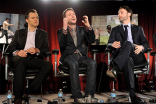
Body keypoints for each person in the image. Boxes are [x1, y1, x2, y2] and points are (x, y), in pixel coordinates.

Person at [6, 9, 53, 104]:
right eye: (33, 18)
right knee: (21, 60)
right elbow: (10, 48)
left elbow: (46, 49)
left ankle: (28, 91)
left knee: (48, 65)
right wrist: (18, 52)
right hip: (20, 58)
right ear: (27, 20)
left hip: (33, 58)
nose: (36, 19)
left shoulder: (43, 33)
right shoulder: (19, 33)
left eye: (37, 17)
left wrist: (37, 50)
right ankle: (18, 97)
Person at [106, 6, 149, 103]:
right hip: (123, 58)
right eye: (118, 13)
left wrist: (142, 47)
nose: (119, 15)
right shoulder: (115, 29)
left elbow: (146, 44)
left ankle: (115, 70)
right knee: (128, 60)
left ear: (129, 14)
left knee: (128, 43)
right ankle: (132, 95)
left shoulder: (138, 29)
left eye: (121, 12)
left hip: (137, 56)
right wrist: (111, 44)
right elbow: (108, 45)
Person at [57, 8, 97, 103]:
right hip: (68, 57)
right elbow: (62, 45)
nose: (73, 15)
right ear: (65, 19)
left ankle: (89, 95)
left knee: (93, 62)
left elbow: (92, 40)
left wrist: (88, 26)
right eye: (70, 14)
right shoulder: (61, 31)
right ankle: (77, 96)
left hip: (81, 57)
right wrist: (64, 27)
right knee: (73, 63)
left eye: (74, 14)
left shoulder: (82, 29)